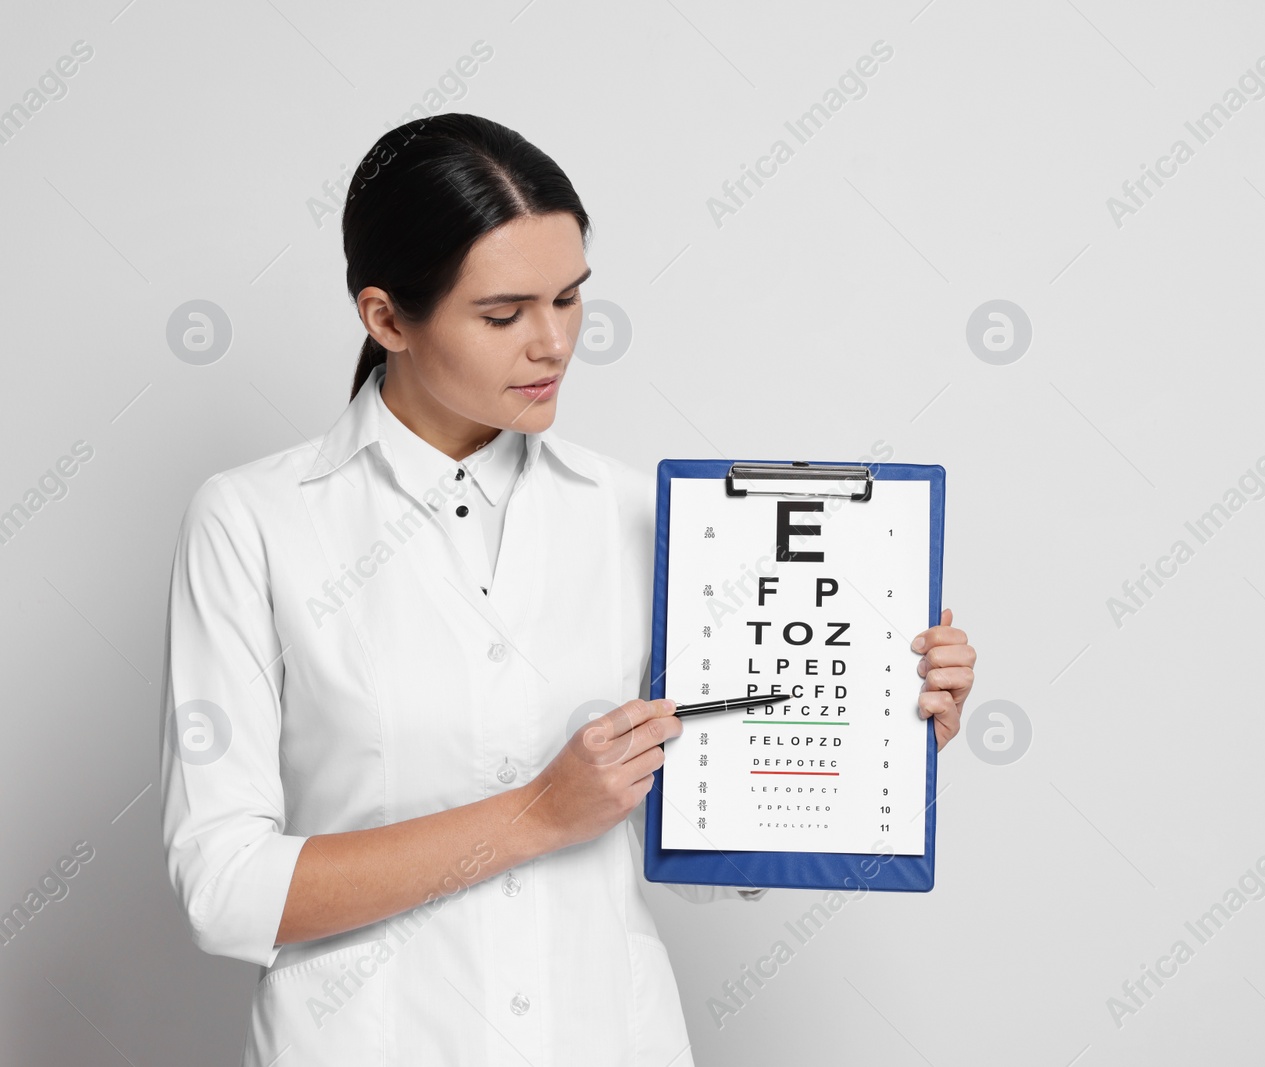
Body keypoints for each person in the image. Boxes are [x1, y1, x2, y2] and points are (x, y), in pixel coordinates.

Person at [157, 112, 977, 1065]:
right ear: (385, 317)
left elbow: (706, 843)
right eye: (504, 314)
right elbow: (223, 889)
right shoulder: (254, 522)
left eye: (570, 299)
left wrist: (875, 725)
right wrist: (535, 814)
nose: (552, 344)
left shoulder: (646, 516)